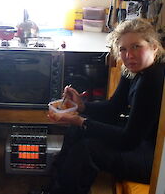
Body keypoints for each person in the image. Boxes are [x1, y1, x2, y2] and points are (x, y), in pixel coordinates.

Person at [31, 18, 165, 194]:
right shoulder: (134, 69)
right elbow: (113, 108)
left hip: (154, 160)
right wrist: (81, 107)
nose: (128, 55)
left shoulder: (154, 80)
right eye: (123, 49)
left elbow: (129, 140)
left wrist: (80, 120)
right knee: (77, 130)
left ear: (154, 46)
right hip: (139, 139)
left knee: (87, 149)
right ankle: (56, 186)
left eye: (136, 46)